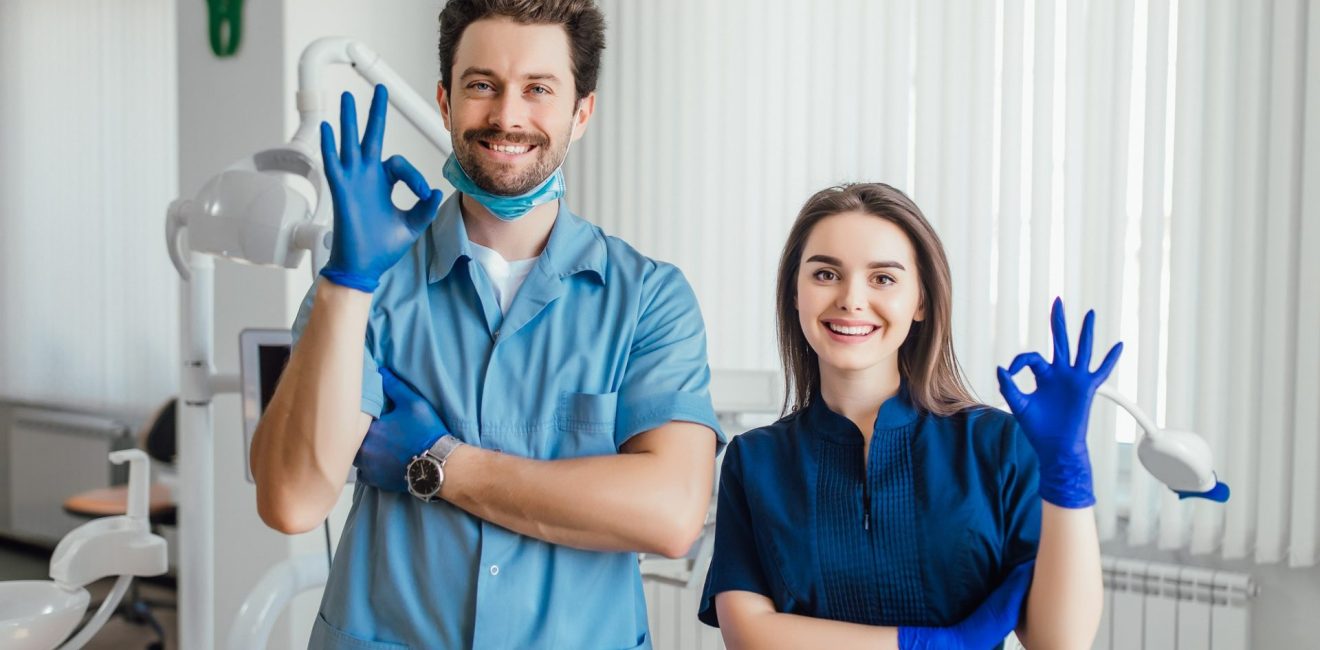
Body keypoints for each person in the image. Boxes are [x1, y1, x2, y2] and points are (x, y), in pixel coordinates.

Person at [249, 1, 724, 648]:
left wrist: (439, 462)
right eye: (482, 86)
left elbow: (670, 514)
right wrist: (347, 284)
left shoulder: (648, 299)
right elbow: (292, 500)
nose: (507, 115)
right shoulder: (370, 283)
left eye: (538, 89)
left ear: (581, 112)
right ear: (445, 102)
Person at [699, 183, 1118, 649]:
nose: (851, 299)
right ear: (795, 292)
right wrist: (930, 645)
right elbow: (750, 637)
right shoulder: (755, 460)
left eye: (883, 278)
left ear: (920, 301)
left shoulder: (997, 446)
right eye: (825, 275)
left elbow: (1061, 642)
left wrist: (1068, 472)